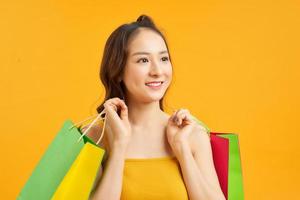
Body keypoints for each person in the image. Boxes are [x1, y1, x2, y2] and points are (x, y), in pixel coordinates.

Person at [84, 14, 226, 200]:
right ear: (117, 71)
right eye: (143, 60)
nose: (158, 71)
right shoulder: (95, 136)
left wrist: (181, 149)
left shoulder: (192, 135)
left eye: (164, 59)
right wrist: (119, 145)